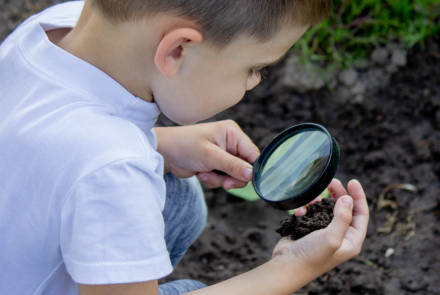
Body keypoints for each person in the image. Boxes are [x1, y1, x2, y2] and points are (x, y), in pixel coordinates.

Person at [0, 0, 370, 294]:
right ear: (177, 50)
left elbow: (39, 148)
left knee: (181, 197)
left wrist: (160, 144)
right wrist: (293, 267)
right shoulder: (115, 170)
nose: (254, 83)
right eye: (254, 68)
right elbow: (104, 168)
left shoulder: (50, 29)